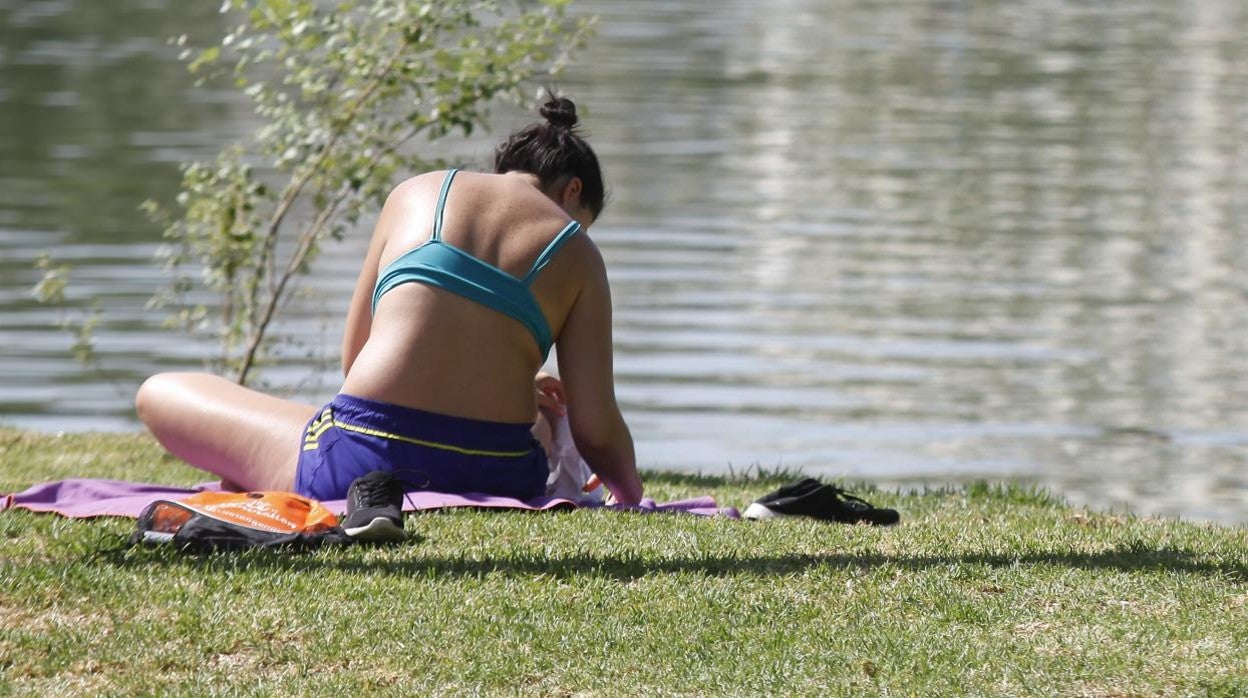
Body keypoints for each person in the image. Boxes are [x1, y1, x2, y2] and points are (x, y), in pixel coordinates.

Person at [134, 96, 644, 509]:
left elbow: (356, 358)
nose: (579, 229)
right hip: (503, 471)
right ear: (573, 189)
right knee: (540, 419)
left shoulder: (417, 194)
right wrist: (632, 494)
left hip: (360, 462)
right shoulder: (577, 250)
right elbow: (595, 429)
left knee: (161, 390)